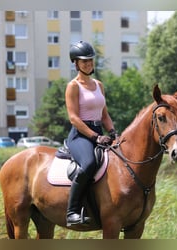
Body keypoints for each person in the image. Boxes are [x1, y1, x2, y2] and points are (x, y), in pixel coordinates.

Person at [65, 40, 117, 226]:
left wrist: (112, 132)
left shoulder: (99, 85)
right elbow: (74, 119)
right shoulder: (73, 86)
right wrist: (94, 137)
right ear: (76, 63)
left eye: (90, 60)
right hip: (80, 135)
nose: (88, 63)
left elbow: (104, 114)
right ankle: (72, 212)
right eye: (83, 61)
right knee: (89, 163)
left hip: (99, 132)